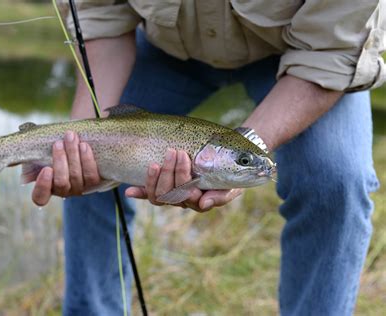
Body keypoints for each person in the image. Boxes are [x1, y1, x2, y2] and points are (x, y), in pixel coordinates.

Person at [31, 1, 384, 315]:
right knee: (89, 156)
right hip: (163, 49)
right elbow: (102, 16)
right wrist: (82, 142)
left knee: (335, 180)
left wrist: (244, 155)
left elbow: (329, 52)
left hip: (302, 58)